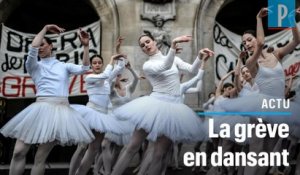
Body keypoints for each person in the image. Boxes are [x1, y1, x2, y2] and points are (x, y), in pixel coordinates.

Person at [0, 24, 95, 175]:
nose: (40, 48)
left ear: (51, 46)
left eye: (43, 45)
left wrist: (85, 46)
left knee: (40, 158)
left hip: (59, 113)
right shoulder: (33, 65)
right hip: (39, 110)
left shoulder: (63, 66)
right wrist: (45, 28)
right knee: (18, 152)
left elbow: (85, 68)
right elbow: (33, 47)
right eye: (39, 46)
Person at [110, 33, 210, 175]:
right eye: (143, 45)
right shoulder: (148, 65)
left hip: (174, 108)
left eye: (148, 42)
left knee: (160, 154)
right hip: (154, 104)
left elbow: (192, 70)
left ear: (155, 42)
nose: (146, 46)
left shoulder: (173, 57)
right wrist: (173, 46)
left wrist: (199, 56)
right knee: (132, 146)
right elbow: (164, 66)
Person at [217, 7, 300, 175]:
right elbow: (261, 43)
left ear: (254, 38)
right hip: (261, 108)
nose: (246, 44)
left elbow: (296, 41)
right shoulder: (250, 63)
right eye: (244, 42)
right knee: (256, 153)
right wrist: (258, 19)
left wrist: (291, 18)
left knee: (267, 157)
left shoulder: (276, 54)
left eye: (249, 40)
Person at [68, 53, 127, 175]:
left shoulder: (106, 80)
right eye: (94, 63)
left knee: (94, 149)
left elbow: (119, 68)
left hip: (102, 116)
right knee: (82, 148)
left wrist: (119, 55)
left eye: (99, 62)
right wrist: (111, 59)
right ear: (91, 65)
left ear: (102, 64)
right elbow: (106, 74)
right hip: (91, 113)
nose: (97, 65)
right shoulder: (89, 77)